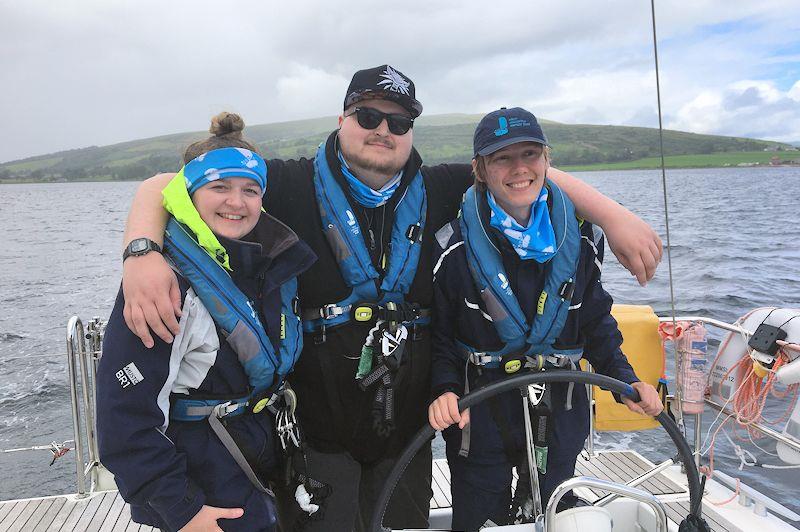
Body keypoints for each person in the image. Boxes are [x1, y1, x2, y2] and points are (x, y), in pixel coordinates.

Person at [118, 65, 662, 531]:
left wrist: (615, 218)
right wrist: (142, 252)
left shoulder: (440, 186)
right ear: (342, 120)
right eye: (369, 117)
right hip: (318, 432)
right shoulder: (288, 182)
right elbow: (169, 183)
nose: (384, 130)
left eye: (399, 121)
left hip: (408, 432)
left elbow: (523, 175)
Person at [427, 107, 663, 531]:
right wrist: (444, 390)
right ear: (479, 170)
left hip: (562, 405)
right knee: (478, 512)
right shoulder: (451, 248)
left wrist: (626, 380)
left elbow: (595, 323)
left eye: (530, 154)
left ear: (547, 161)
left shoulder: (584, 238)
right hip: (479, 414)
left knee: (559, 505)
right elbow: (441, 336)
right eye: (502, 158)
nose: (519, 169)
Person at [97, 113, 316, 532]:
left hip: (264, 471)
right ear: (189, 195)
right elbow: (123, 420)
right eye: (219, 187)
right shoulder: (162, 287)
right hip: (207, 494)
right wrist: (181, 511)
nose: (237, 202)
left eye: (250, 190)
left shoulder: (266, 269)